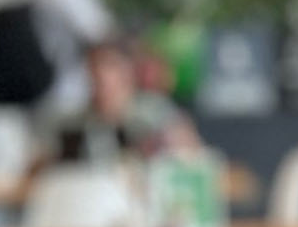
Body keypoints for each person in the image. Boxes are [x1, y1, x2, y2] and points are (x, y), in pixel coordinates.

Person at [43, 37, 194, 167]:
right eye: (93, 66)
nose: (100, 74)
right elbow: (43, 168)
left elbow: (191, 159)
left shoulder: (156, 113)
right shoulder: (74, 122)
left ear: (127, 71)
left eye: (109, 66)